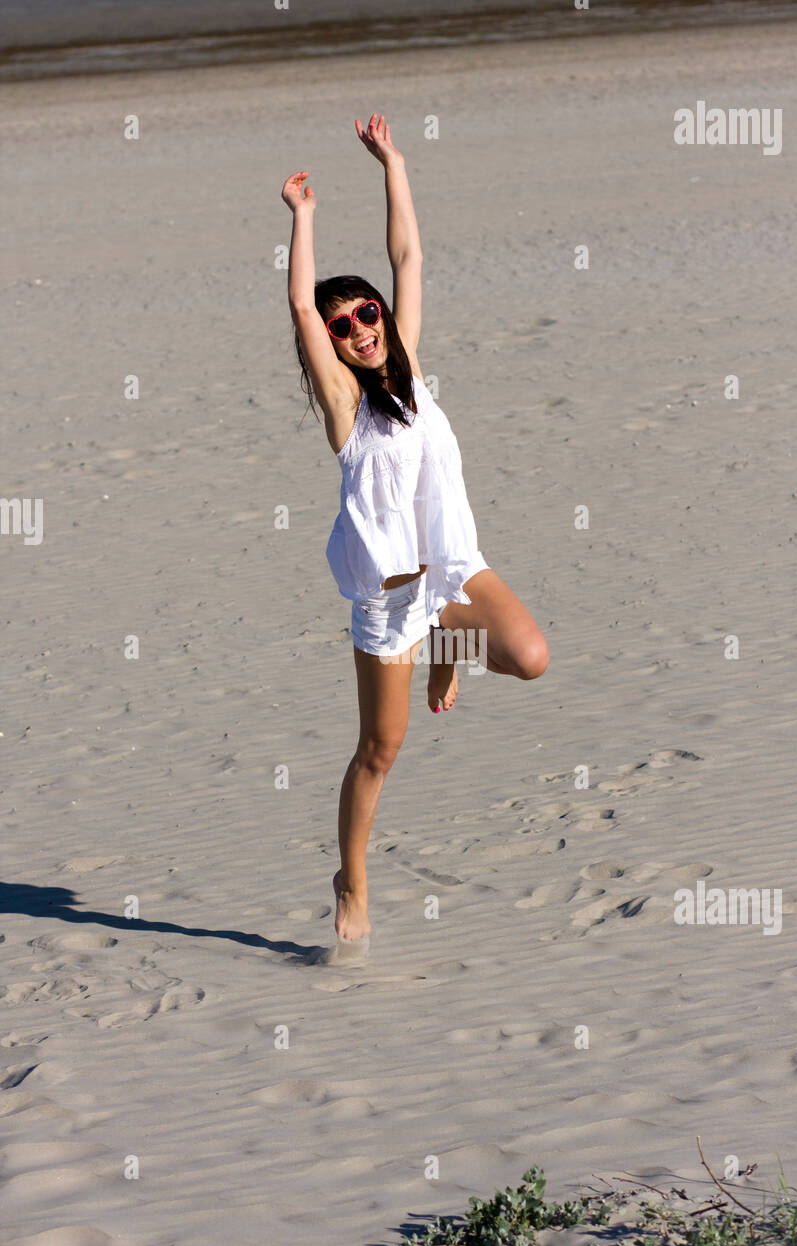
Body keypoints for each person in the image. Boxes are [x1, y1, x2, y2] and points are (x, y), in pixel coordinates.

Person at [282, 113, 549, 960]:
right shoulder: (345, 411)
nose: (360, 328)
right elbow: (298, 300)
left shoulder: (412, 369)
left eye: (365, 314)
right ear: (331, 348)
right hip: (388, 602)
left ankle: (450, 642)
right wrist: (304, 217)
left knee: (529, 655)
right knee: (378, 751)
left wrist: (393, 163)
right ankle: (351, 879)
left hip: (451, 572)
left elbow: (409, 259)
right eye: (343, 327)